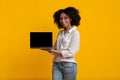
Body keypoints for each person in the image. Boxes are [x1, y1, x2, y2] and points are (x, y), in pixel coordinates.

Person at [42, 7, 81, 80]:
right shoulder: (60, 33)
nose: (63, 21)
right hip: (56, 64)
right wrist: (44, 47)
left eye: (65, 18)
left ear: (70, 19)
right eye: (61, 19)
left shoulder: (75, 33)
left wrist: (53, 51)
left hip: (69, 65)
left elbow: (71, 53)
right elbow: (54, 49)